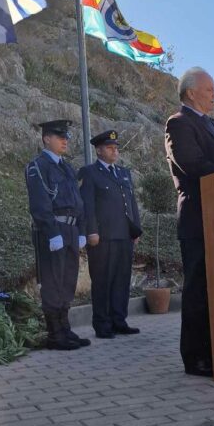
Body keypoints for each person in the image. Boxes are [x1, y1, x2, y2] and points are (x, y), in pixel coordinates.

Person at [165, 68, 214, 377]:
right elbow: (193, 164)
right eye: (209, 89)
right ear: (190, 93)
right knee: (199, 289)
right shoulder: (179, 123)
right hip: (199, 218)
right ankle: (196, 357)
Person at [25, 120, 90, 351]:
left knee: (67, 280)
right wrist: (52, 233)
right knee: (53, 282)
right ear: (46, 139)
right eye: (59, 136)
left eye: (66, 137)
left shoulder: (67, 167)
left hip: (71, 230)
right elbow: (40, 204)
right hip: (53, 231)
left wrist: (81, 230)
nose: (65, 140)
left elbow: (78, 202)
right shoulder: (38, 166)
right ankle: (54, 334)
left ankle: (65, 328)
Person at [78, 130, 142, 339]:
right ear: (98, 150)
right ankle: (102, 324)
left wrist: (135, 229)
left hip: (124, 235)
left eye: (116, 148)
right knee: (103, 281)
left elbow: (131, 203)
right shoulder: (90, 172)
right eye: (110, 148)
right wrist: (91, 231)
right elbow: (87, 205)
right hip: (103, 237)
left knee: (121, 280)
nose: (115, 151)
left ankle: (119, 320)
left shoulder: (123, 172)